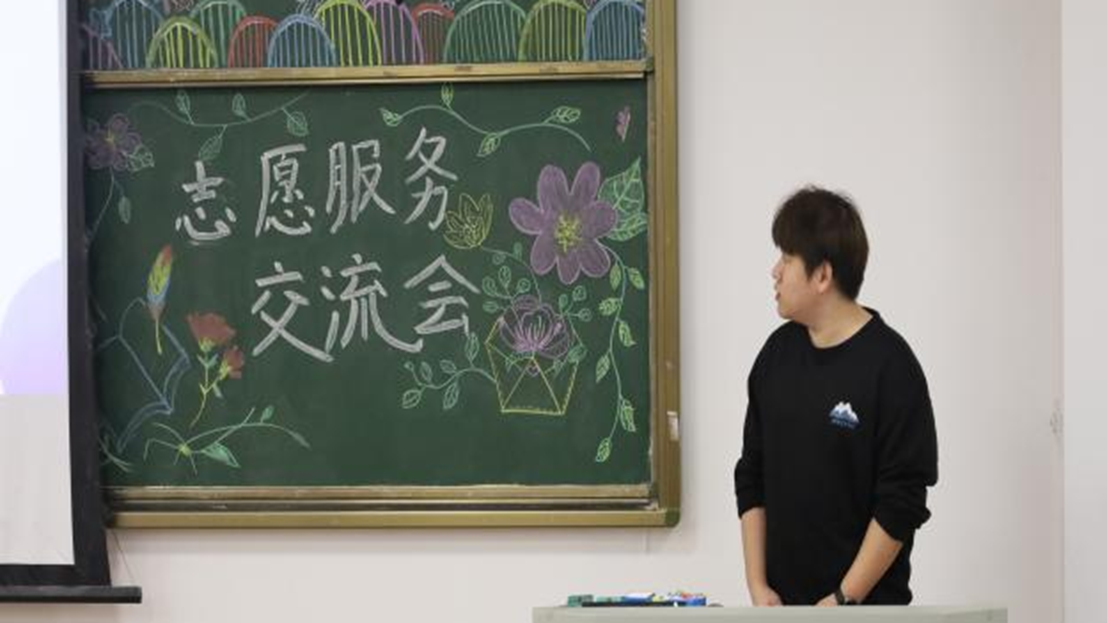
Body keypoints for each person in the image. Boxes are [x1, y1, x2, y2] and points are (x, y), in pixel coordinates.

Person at [734, 186, 938, 606]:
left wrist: (843, 600)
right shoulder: (776, 356)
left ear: (822, 275)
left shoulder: (891, 367)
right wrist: (758, 586)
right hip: (783, 611)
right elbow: (751, 476)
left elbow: (902, 501)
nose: (775, 271)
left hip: (865, 611)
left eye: (787, 258)